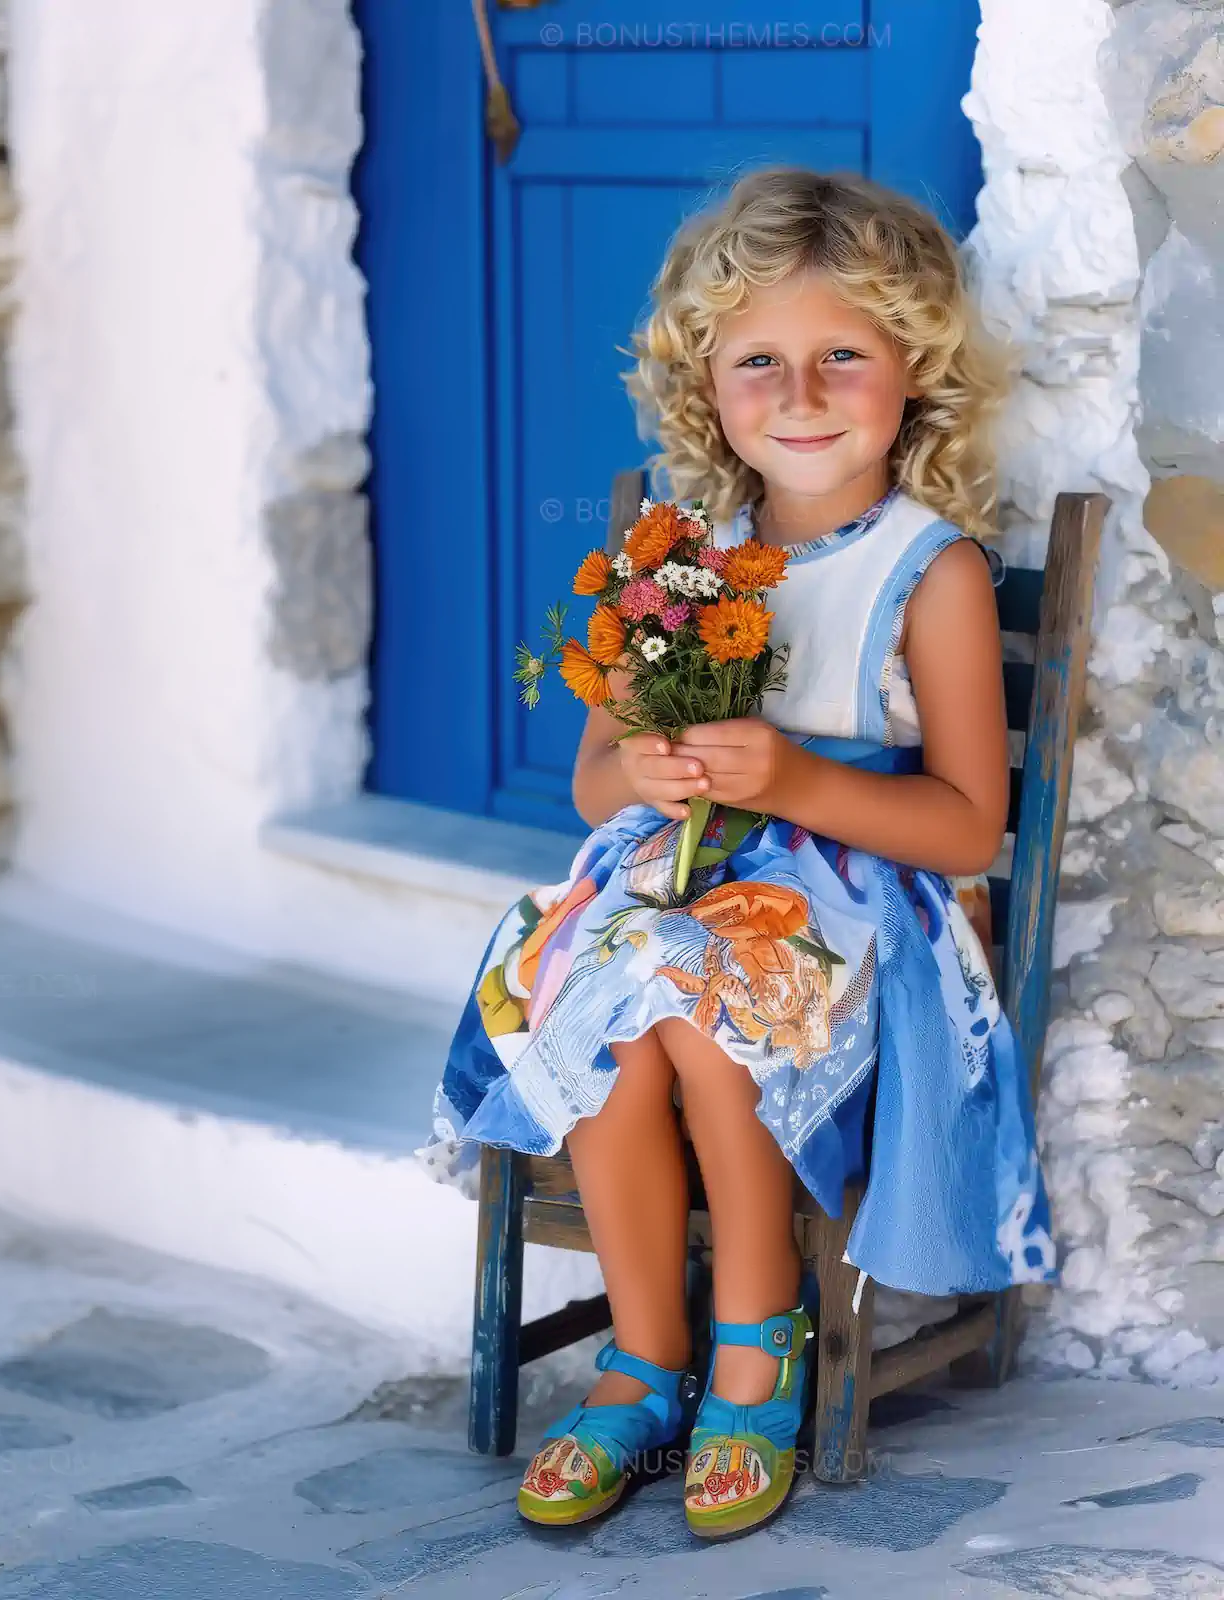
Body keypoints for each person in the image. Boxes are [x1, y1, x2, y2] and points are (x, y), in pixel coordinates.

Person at [418, 167, 1058, 1542]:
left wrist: (798, 778)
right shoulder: (679, 556)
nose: (804, 393)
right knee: (595, 996)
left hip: (869, 905)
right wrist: (643, 769)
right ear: (707, 386)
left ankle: (755, 1344)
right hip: (684, 875)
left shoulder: (927, 573)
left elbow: (967, 826)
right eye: (759, 361)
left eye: (843, 356)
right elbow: (598, 783)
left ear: (914, 372)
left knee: (711, 1000)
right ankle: (646, 1363)